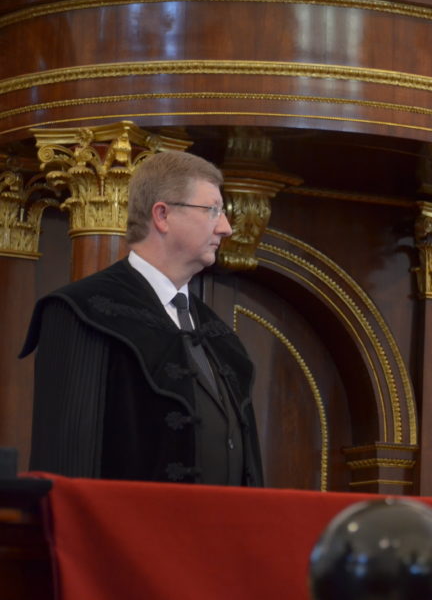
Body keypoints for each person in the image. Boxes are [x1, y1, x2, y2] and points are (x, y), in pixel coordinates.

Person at [20, 150, 263, 486]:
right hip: (128, 521)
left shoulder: (216, 332)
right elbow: (67, 460)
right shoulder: (82, 311)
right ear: (162, 215)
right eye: (212, 210)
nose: (226, 228)